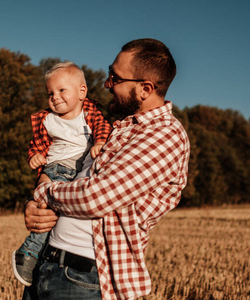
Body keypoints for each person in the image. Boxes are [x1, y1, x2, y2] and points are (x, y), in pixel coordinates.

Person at [23, 38, 190, 299]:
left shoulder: (164, 135)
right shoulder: (119, 129)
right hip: (46, 266)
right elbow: (69, 177)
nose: (106, 84)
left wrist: (44, 193)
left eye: (115, 77)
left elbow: (94, 198)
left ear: (145, 88)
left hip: (81, 279)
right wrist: (35, 207)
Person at [12, 61, 112, 287]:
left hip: (77, 172)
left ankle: (33, 253)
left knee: (54, 212)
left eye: (61, 90)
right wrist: (34, 157)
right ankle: (28, 251)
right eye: (50, 93)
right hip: (57, 168)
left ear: (82, 92)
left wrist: (100, 142)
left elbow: (103, 127)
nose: (55, 97)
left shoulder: (90, 114)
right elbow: (36, 145)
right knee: (48, 212)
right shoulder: (47, 120)